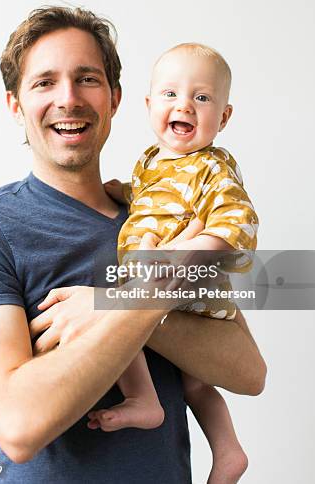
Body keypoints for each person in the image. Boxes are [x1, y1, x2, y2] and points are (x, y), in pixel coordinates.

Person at [0, 6, 266, 484]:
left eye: (87, 79)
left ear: (115, 99)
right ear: (15, 106)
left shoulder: (161, 217)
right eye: (44, 82)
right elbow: (18, 425)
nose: (68, 98)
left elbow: (248, 373)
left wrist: (112, 304)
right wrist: (143, 302)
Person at [89, 43, 258, 484]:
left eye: (201, 98)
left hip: (186, 279)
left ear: (223, 118)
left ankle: (143, 399)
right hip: (166, 279)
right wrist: (122, 192)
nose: (184, 104)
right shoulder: (149, 161)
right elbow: (153, 200)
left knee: (119, 316)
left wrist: (179, 261)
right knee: (196, 382)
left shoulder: (212, 168)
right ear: (148, 105)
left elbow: (236, 222)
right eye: (170, 94)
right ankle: (228, 450)